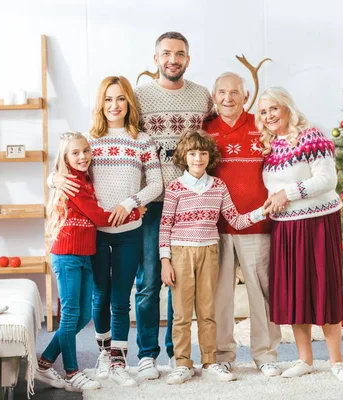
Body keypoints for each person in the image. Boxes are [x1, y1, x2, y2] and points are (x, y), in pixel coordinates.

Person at [49, 76, 163, 387]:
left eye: (121, 99)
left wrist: (131, 202)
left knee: (121, 298)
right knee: (100, 295)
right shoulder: (89, 139)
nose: (115, 105)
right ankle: (102, 352)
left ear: (129, 103)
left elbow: (156, 184)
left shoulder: (142, 140)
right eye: (109, 99)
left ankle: (118, 359)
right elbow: (63, 165)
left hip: (130, 230)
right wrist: (53, 180)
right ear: (101, 103)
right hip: (95, 232)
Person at [256, 87, 343, 382]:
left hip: (318, 223)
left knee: (323, 288)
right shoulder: (270, 145)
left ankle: (336, 361)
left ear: (287, 107)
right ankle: (305, 359)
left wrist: (287, 193)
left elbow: (327, 180)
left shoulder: (312, 136)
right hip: (285, 226)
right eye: (263, 112)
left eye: (273, 108)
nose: (269, 116)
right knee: (295, 291)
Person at [133, 31, 213, 378]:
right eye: (166, 54)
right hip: (152, 203)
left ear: (188, 59)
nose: (173, 60)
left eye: (179, 54)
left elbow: (213, 142)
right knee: (151, 281)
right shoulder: (138, 97)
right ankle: (147, 353)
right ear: (155, 59)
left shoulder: (202, 97)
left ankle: (175, 354)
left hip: (190, 205)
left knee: (177, 284)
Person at [159, 130, 267, 385]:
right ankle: (182, 363)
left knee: (208, 311)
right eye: (193, 153)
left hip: (210, 252)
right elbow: (165, 225)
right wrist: (165, 260)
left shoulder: (218, 186)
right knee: (182, 314)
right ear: (184, 156)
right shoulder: (175, 188)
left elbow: (236, 220)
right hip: (180, 253)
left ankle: (210, 361)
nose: (198, 158)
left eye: (203, 153)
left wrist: (263, 211)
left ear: (210, 157)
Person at [35, 131, 141, 392]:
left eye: (85, 151)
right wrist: (136, 211)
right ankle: (71, 372)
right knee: (71, 314)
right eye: (75, 152)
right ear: (65, 157)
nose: (82, 156)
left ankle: (44, 363)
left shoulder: (85, 179)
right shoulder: (72, 183)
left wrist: (53, 177)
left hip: (84, 254)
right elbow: (100, 217)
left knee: (82, 315)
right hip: (68, 254)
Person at [203, 72, 282, 376]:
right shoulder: (205, 127)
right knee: (220, 295)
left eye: (234, 92)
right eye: (221, 92)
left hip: (257, 224)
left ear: (245, 96)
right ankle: (223, 354)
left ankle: (266, 354)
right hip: (216, 226)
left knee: (261, 293)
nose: (227, 98)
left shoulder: (261, 125)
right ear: (214, 95)